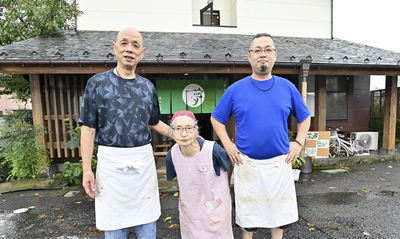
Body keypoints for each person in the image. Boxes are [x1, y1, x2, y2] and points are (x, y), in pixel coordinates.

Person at [210, 33, 311, 239]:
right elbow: (216, 118)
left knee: (279, 215)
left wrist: (299, 142)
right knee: (248, 218)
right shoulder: (235, 89)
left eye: (267, 49)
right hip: (247, 164)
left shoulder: (287, 87)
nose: (262, 54)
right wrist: (228, 144)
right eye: (257, 50)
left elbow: (305, 117)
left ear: (275, 55)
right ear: (249, 56)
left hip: (279, 162)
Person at [79, 27, 170, 239]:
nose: (129, 49)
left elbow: (154, 122)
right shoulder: (97, 84)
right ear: (115, 48)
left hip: (142, 165)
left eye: (135, 45)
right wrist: (86, 170)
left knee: (147, 227)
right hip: (111, 166)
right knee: (114, 228)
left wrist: (183, 135)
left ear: (143, 52)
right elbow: (88, 128)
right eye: (124, 43)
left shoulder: (147, 88)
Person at [166, 110, 233, 239]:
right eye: (178, 129)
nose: (184, 134)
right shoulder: (171, 155)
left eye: (189, 128)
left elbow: (228, 167)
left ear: (196, 130)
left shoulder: (213, 150)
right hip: (190, 208)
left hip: (216, 206)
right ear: (172, 132)